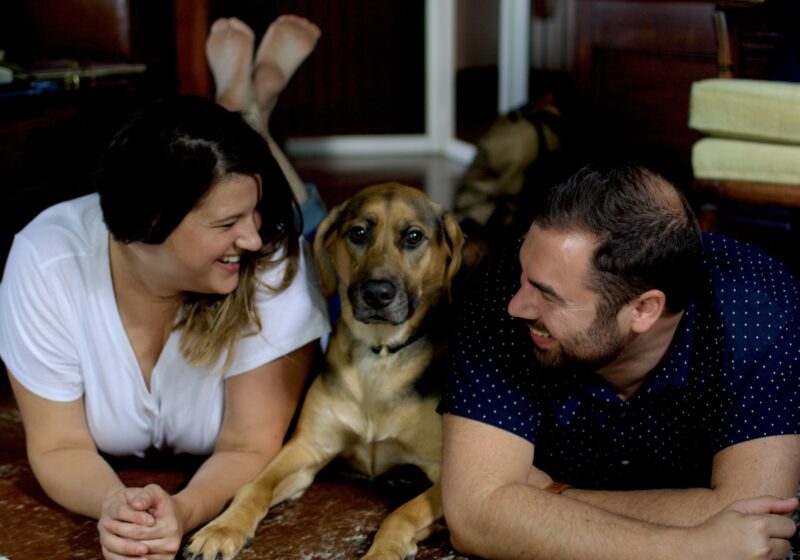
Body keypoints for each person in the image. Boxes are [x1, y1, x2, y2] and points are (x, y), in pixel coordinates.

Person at [0, 15, 329, 560]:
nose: (249, 238)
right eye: (226, 225)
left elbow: (250, 444)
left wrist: (185, 509)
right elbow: (58, 445)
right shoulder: (45, 259)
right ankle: (243, 107)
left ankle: (250, 110)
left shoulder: (268, 253)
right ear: (152, 221)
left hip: (311, 252)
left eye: (249, 216)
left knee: (315, 228)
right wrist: (115, 506)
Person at [438, 163, 800, 559]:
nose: (517, 305)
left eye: (550, 296)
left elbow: (759, 527)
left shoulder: (759, 309)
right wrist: (687, 548)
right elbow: (475, 514)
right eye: (524, 275)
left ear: (644, 309)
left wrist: (547, 495)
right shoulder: (500, 288)